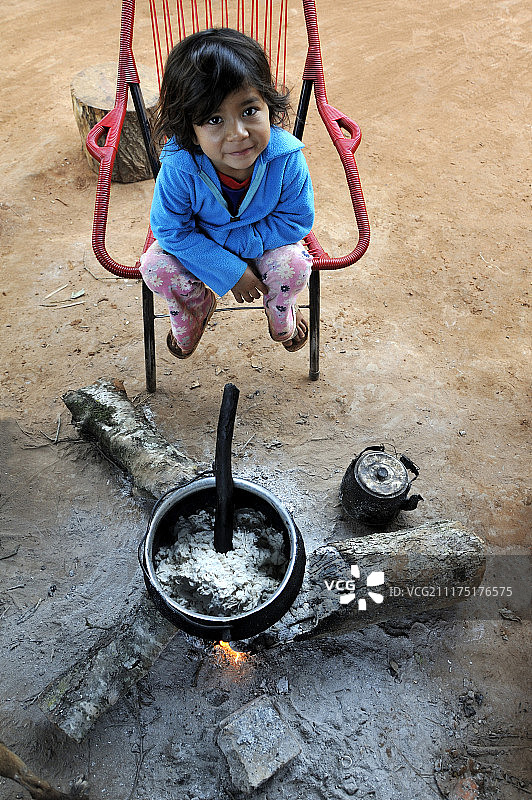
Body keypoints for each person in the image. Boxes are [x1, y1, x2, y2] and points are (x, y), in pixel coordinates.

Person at [139, 27, 314, 359]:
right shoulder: (180, 167)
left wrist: (239, 251)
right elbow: (171, 230)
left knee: (294, 265)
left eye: (249, 111)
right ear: (189, 130)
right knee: (153, 266)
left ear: (269, 105)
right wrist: (230, 271)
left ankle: (282, 308)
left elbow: (296, 220)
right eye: (214, 119)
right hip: (201, 248)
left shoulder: (286, 158)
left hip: (268, 245)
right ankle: (197, 306)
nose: (238, 133)